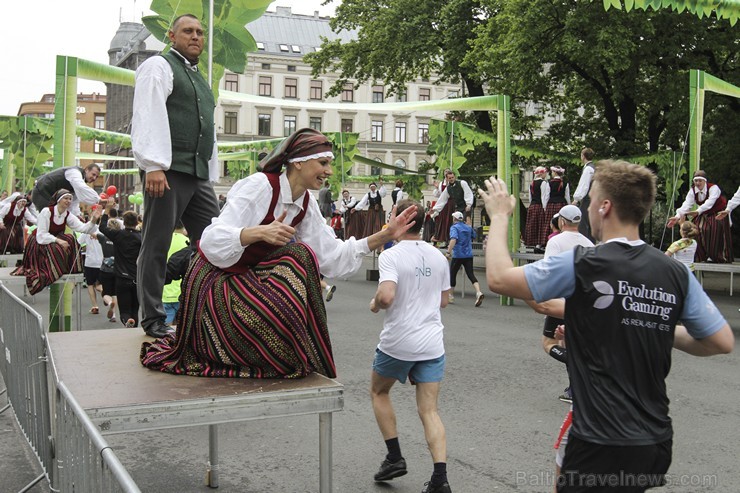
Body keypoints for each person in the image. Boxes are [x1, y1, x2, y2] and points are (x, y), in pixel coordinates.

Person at [479, 160, 733, 492]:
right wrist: (653, 324)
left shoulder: (586, 262)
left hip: (599, 440)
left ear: (605, 206)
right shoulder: (674, 273)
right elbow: (720, 341)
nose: (586, 212)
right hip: (653, 440)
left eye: (589, 202)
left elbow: (499, 279)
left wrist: (499, 216)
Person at [140, 128, 418, 378]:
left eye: (329, 164)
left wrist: (385, 235)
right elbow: (211, 240)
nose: (329, 171)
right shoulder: (259, 186)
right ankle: (241, 346)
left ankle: (280, 350)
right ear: (298, 162)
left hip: (247, 281)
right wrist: (258, 232)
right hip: (214, 282)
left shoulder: (305, 203)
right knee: (296, 257)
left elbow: (331, 257)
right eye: (323, 163)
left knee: (302, 256)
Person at [132, 13, 222, 338]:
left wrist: (209, 171)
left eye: (199, 32)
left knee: (217, 241)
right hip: (168, 170)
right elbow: (147, 111)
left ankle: (211, 310)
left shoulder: (201, 79)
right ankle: (153, 319)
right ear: (172, 36)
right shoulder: (159, 66)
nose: (195, 36)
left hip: (198, 174)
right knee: (156, 243)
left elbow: (208, 130)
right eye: (188, 31)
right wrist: (153, 164)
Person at [369, 199, 452, 493]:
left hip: (398, 342)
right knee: (429, 411)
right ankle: (440, 479)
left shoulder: (391, 255)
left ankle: (394, 457)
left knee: (379, 391)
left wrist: (376, 303)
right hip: (431, 343)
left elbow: (387, 296)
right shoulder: (439, 256)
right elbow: (444, 300)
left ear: (398, 218)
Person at [19, 189, 100, 295]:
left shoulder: (67, 214)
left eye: (70, 199)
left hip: (53, 241)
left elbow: (82, 228)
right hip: (39, 242)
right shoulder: (47, 212)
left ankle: (67, 268)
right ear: (58, 200)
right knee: (56, 247)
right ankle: (54, 269)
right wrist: (58, 240)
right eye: (66, 198)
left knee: (71, 239)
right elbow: (41, 235)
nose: (68, 201)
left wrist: (93, 220)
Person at [667, 170, 732, 263]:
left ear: (705, 181)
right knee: (696, 229)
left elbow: (710, 202)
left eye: (700, 181)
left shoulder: (714, 188)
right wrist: (677, 216)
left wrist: (698, 211)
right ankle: (700, 256)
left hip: (718, 213)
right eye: (695, 181)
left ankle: (717, 256)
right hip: (703, 213)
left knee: (713, 230)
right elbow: (687, 204)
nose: (697, 183)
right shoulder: (693, 191)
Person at [100, 202, 146, 331]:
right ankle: (133, 323)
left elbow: (102, 227)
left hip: (121, 277)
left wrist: (106, 211)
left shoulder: (118, 235)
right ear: (137, 222)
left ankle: (127, 321)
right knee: (135, 308)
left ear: (124, 222)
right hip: (136, 278)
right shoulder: (141, 238)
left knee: (124, 309)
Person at [31, 164, 101, 217]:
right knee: (51, 220)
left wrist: (77, 215)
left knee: (58, 219)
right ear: (86, 170)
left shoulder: (78, 182)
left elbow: (74, 202)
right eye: (93, 174)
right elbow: (81, 187)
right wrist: (98, 200)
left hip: (49, 196)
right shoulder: (74, 173)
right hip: (41, 193)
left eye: (96, 177)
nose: (94, 178)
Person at [446, 211, 484, 307]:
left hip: (458, 255)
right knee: (471, 274)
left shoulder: (454, 228)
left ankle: (450, 295)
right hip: (468, 254)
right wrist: (469, 226)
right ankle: (478, 292)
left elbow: (453, 239)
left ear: (454, 219)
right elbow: (474, 236)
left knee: (453, 274)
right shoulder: (468, 227)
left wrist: (448, 252)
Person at [432, 170, 474, 244]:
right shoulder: (448, 188)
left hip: (466, 207)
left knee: (466, 224)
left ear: (455, 177)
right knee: (456, 224)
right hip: (458, 208)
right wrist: (435, 210)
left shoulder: (462, 183)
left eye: (452, 177)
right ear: (447, 179)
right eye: (450, 178)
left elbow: (468, 193)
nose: (451, 179)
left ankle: (468, 241)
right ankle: (457, 241)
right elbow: (442, 199)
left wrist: (469, 204)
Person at [162, 222, 189, 325]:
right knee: (180, 326)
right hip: (181, 290)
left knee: (166, 327)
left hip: (164, 289)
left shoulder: (164, 240)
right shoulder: (188, 241)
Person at [77, 230, 104, 314]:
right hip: (101, 261)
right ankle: (106, 295)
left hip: (90, 261)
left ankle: (95, 306)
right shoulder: (102, 231)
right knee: (99, 285)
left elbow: (78, 242)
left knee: (90, 284)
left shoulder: (86, 231)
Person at [571, 148, 595, 242]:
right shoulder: (593, 167)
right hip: (592, 199)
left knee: (584, 224)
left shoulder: (588, 168)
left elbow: (584, 185)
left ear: (583, 156)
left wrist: (576, 199)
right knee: (590, 223)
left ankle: (585, 245)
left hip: (587, 199)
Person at [524, 166, 550, 248]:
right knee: (540, 225)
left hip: (532, 206)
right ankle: (539, 242)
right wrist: (544, 208)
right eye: (545, 173)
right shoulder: (544, 183)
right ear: (542, 173)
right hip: (539, 206)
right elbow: (544, 196)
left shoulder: (531, 183)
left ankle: (530, 242)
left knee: (531, 225)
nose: (545, 174)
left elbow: (530, 198)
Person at [97, 223, 118, 323]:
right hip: (117, 269)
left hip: (105, 268)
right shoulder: (119, 239)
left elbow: (92, 233)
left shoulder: (103, 238)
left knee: (104, 292)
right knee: (114, 293)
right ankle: (113, 315)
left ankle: (109, 303)